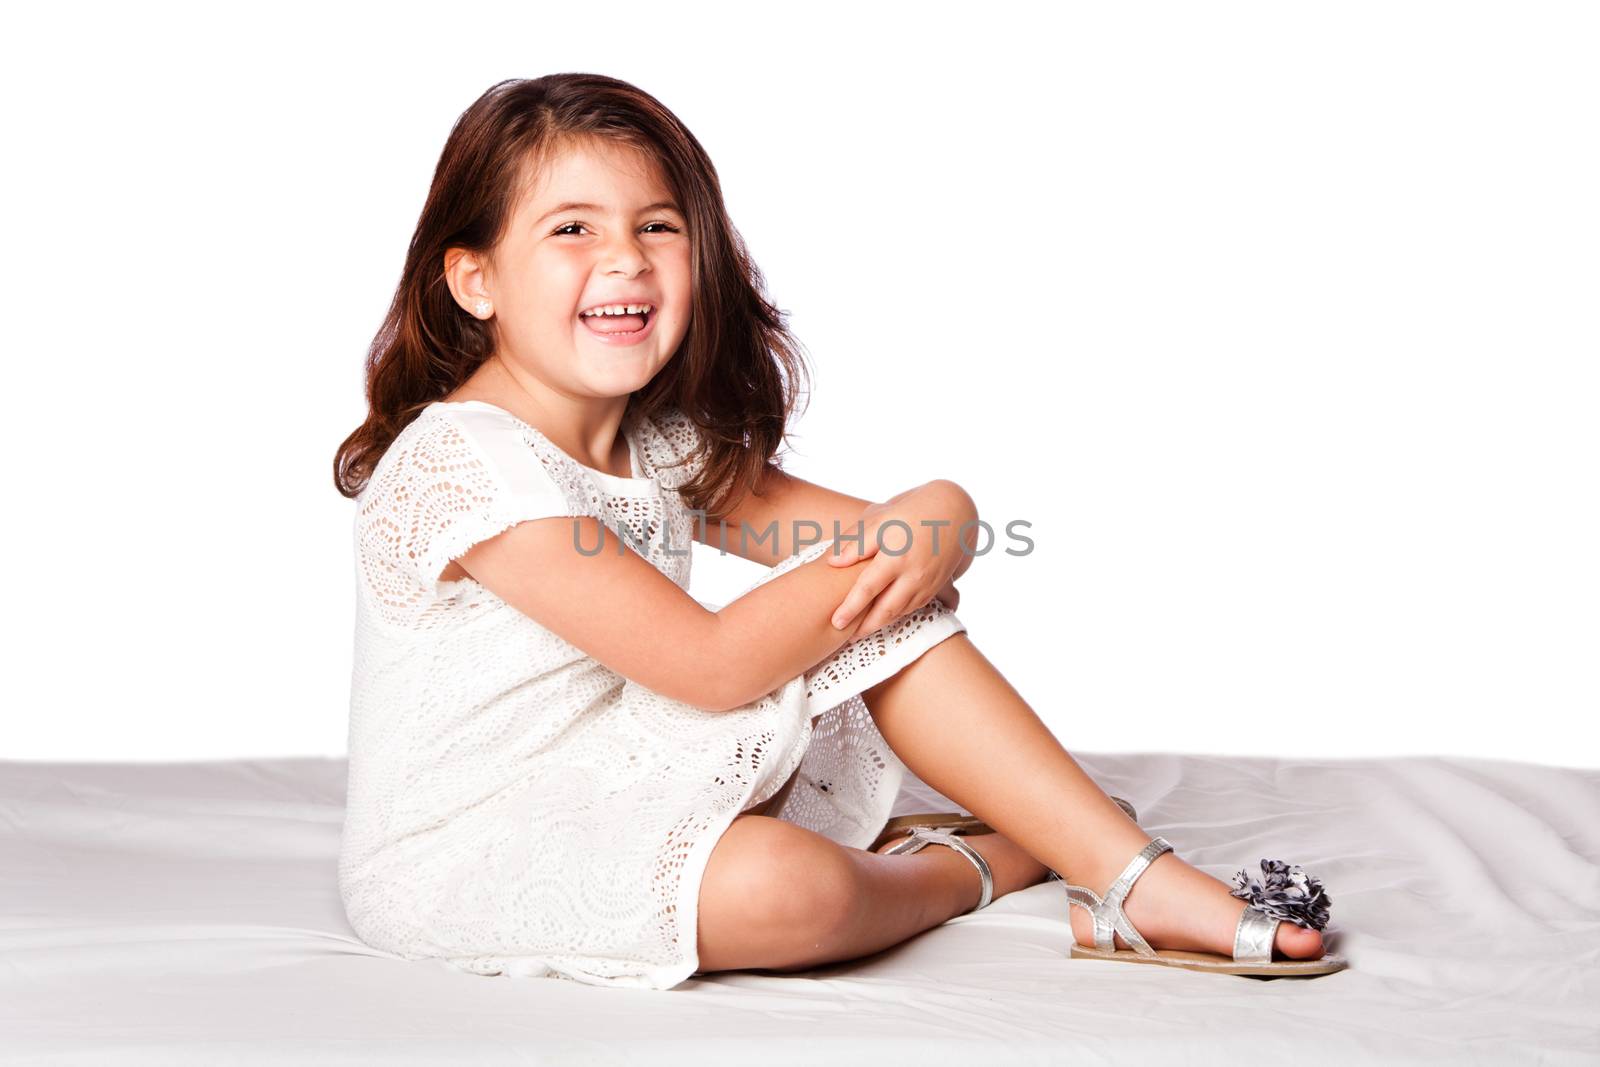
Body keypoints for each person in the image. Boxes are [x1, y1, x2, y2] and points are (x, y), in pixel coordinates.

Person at [332, 74, 1342, 990]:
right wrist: (896, 548)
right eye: (570, 231)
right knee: (786, 885)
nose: (624, 262)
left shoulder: (658, 445)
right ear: (475, 280)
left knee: (881, 592)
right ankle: (981, 863)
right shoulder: (460, 459)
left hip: (614, 770)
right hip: (469, 842)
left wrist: (946, 511)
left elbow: (867, 540)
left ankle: (1127, 876)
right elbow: (708, 664)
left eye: (657, 226)